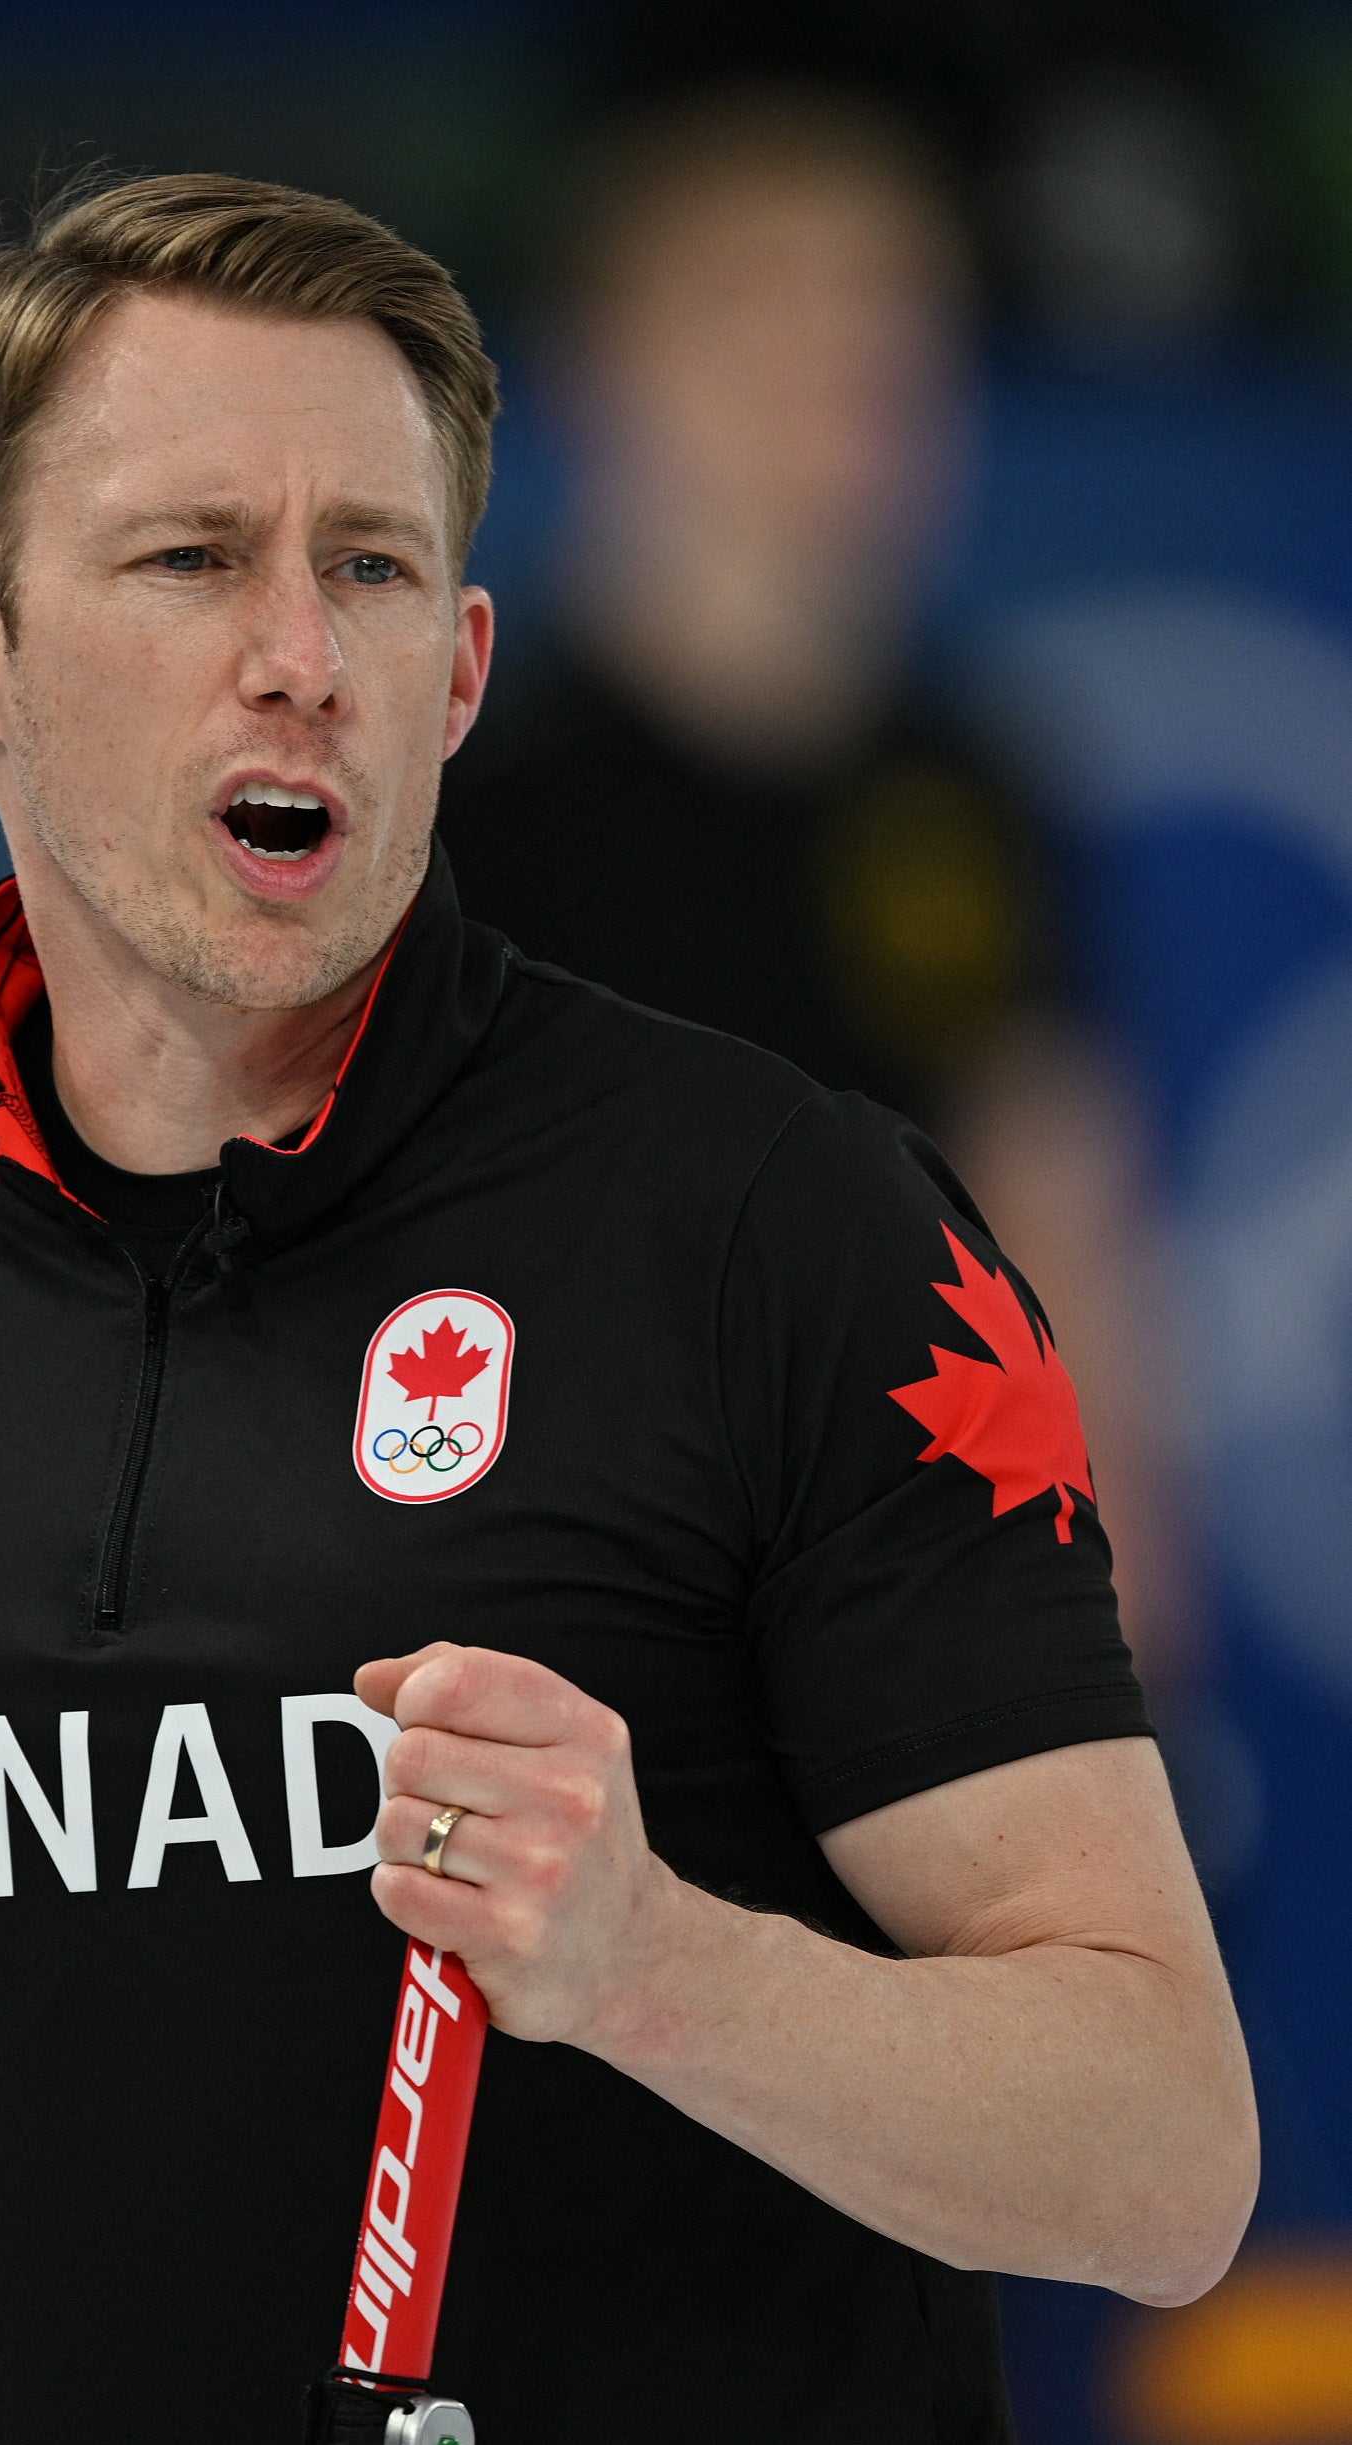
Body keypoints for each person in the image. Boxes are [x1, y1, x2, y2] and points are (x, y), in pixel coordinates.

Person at [0, 173, 1255, 2445]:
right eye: (185, 560)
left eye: (365, 567)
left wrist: (660, 1958)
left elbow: (1167, 2154)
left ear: (458, 667)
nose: (297, 653)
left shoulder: (783, 1222)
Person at [439, 83, 1197, 1689]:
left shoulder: (962, 786)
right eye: (771, 328)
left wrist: (1128, 1654)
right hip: (589, 1659)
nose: (852, 388)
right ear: (606, 373)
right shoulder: (451, 807)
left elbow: (1051, 1215)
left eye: (896, 334)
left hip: (922, 1648)